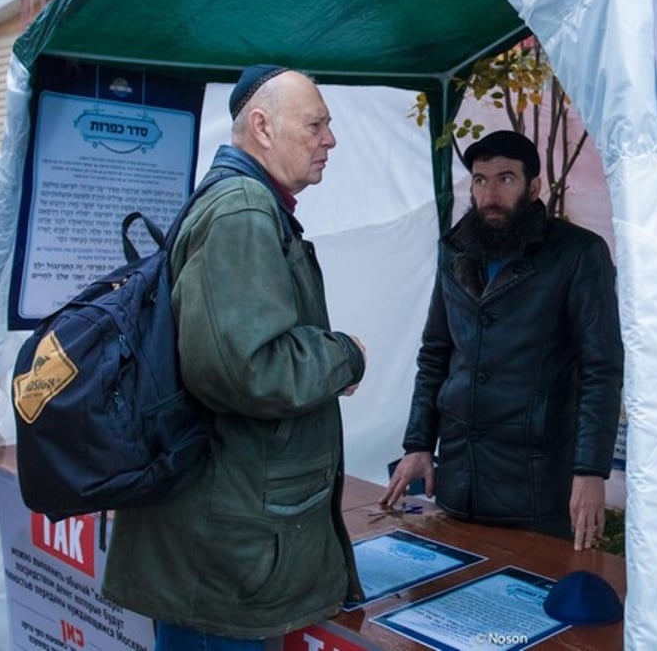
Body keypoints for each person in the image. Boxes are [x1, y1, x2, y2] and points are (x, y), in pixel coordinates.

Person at [103, 65, 367, 650]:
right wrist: (345, 355)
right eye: (316, 124)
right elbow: (245, 369)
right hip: (223, 557)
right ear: (262, 126)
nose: (330, 139)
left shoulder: (244, 203)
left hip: (223, 542)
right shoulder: (243, 210)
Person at [381, 130, 623, 551]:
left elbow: (600, 369)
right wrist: (419, 442)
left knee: (533, 600)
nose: (490, 193)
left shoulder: (577, 254)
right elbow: (436, 352)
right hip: (459, 476)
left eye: (505, 179)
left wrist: (590, 472)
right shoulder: (456, 252)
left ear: (534, 187)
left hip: (535, 483)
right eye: (480, 180)